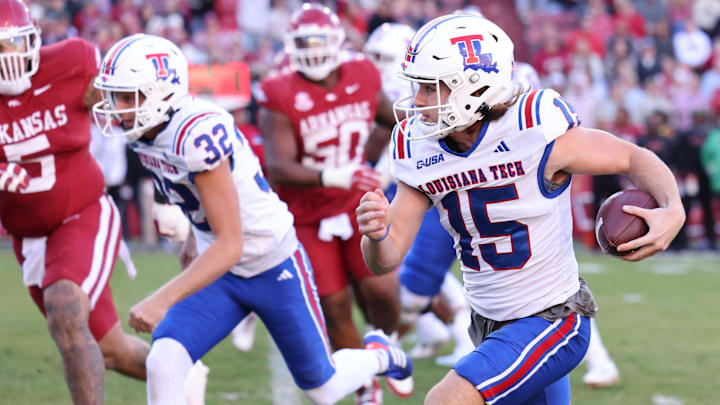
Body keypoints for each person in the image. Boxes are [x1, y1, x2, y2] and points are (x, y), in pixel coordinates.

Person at [356, 14, 685, 405]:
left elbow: (632, 157)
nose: (418, 102)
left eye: (430, 88)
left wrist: (674, 208)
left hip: (552, 319)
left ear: (471, 86)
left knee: (445, 400)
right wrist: (375, 235)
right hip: (489, 324)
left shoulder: (532, 127)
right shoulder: (419, 147)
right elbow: (386, 258)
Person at [92, 33, 412, 405]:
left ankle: (379, 354)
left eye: (130, 97)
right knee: (163, 361)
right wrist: (193, 239)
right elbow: (199, 200)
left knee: (322, 389)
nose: (119, 108)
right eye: (116, 97)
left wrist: (162, 299)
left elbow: (232, 244)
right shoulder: (146, 131)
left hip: (269, 263)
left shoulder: (196, 134)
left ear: (164, 92)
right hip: (222, 272)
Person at [0, 1, 149, 403]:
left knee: (64, 305)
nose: (7, 60)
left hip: (81, 212)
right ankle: (182, 378)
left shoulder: (72, 61)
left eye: (12, 45)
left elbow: (129, 103)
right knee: (111, 349)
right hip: (28, 237)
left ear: (32, 40)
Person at [258, 4, 408, 401]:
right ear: (291, 46)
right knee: (335, 306)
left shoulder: (362, 74)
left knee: (384, 290)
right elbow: (279, 167)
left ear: (338, 42)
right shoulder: (279, 92)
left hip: (356, 203)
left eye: (320, 41)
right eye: (305, 42)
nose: (313, 50)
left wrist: (392, 163)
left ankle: (385, 343)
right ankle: (365, 387)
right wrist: (337, 175)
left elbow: (398, 120)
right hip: (306, 214)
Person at [364, 21, 475, 367]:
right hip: (406, 181)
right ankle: (433, 332)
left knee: (421, 274)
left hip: (427, 184)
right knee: (421, 270)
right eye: (375, 55)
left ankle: (392, 343)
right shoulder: (397, 92)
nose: (378, 62)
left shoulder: (422, 99)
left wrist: (376, 176)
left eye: (385, 56)